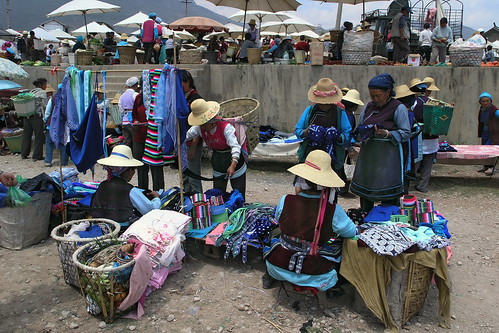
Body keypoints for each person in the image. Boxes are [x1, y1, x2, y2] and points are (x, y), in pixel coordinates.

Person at [262, 150, 357, 292]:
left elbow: (278, 219)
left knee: (276, 234)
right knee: (339, 242)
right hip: (316, 275)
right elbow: (351, 232)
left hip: (277, 267)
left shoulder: (286, 200)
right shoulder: (333, 210)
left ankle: (272, 275)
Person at [350, 74, 411, 212]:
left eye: (378, 95)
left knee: (388, 189)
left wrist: (388, 134)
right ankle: (366, 216)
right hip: (369, 157)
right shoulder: (369, 107)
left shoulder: (398, 108)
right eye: (372, 96)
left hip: (388, 158)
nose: (375, 99)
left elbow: (406, 132)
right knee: (367, 187)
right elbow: (360, 126)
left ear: (388, 92)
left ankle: (388, 221)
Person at [295, 78, 352, 196]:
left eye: (328, 102)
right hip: (311, 155)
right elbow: (298, 130)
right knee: (307, 187)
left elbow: (347, 134)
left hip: (331, 157)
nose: (325, 105)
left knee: (329, 190)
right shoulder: (309, 111)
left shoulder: (340, 113)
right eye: (322, 102)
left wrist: (337, 136)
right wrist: (308, 132)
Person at [186, 99, 247, 198]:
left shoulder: (226, 127)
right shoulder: (200, 128)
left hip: (235, 162)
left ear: (211, 123)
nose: (201, 126)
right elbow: (187, 135)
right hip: (218, 161)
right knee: (218, 196)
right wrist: (177, 143)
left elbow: (235, 146)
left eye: (203, 124)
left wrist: (233, 165)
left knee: (239, 194)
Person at [89, 145, 161, 228]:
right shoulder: (130, 190)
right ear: (128, 170)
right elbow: (150, 210)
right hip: (119, 229)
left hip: (99, 226)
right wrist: (156, 198)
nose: (133, 173)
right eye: (133, 169)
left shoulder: (103, 185)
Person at [181, 70, 203, 194]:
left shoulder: (196, 100)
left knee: (193, 176)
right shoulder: (185, 98)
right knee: (185, 176)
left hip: (192, 142)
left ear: (188, 83)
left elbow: (199, 124)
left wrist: (194, 146)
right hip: (184, 142)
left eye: (181, 83)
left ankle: (199, 204)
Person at [340, 89, 364, 198]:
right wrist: (351, 146)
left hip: (339, 143)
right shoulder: (349, 116)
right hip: (345, 145)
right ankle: (343, 189)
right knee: (346, 167)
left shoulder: (340, 112)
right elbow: (348, 132)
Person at [21, 78, 48, 161]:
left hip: (27, 116)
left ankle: (24, 154)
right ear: (40, 85)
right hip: (36, 117)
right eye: (45, 84)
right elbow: (44, 105)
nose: (46, 86)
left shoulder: (31, 92)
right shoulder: (42, 93)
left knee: (26, 135)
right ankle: (37, 155)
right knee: (38, 136)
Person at [43, 84, 69, 167]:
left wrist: (45, 119)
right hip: (63, 125)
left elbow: (47, 112)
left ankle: (48, 161)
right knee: (63, 142)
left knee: (49, 142)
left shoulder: (53, 98)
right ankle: (64, 162)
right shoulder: (69, 99)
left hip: (52, 124)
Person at [477, 92, 499, 176]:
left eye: (487, 101)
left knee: (489, 149)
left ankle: (492, 167)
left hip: (492, 133)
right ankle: (486, 166)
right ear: (480, 102)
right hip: (485, 132)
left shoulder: (494, 110)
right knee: (483, 149)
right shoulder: (482, 109)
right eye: (483, 101)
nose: (485, 103)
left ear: (490, 101)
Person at [119, 77, 140, 148]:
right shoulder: (135, 95)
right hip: (133, 121)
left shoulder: (122, 96)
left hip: (124, 121)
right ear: (136, 85)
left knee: (126, 142)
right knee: (135, 142)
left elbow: (120, 108)